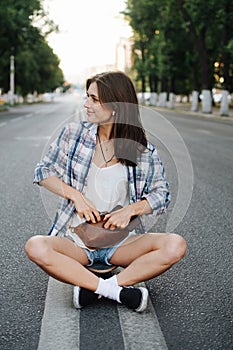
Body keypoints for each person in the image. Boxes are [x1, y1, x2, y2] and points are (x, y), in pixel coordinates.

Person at [25, 71, 187, 312]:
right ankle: (115, 292)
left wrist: (130, 210)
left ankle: (98, 288)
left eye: (94, 99)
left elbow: (161, 195)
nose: (86, 104)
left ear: (116, 105)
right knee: (35, 246)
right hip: (76, 243)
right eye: (87, 97)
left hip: (121, 245)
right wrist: (76, 196)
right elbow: (43, 172)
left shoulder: (143, 151)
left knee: (176, 245)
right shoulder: (73, 135)